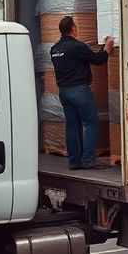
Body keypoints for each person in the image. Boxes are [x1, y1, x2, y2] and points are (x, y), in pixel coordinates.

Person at [50, 16, 114, 169]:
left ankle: (74, 161)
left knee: (72, 126)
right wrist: (107, 48)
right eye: (76, 26)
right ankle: (88, 160)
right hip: (79, 91)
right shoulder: (77, 47)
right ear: (73, 29)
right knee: (91, 123)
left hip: (64, 92)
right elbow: (97, 60)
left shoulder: (54, 49)